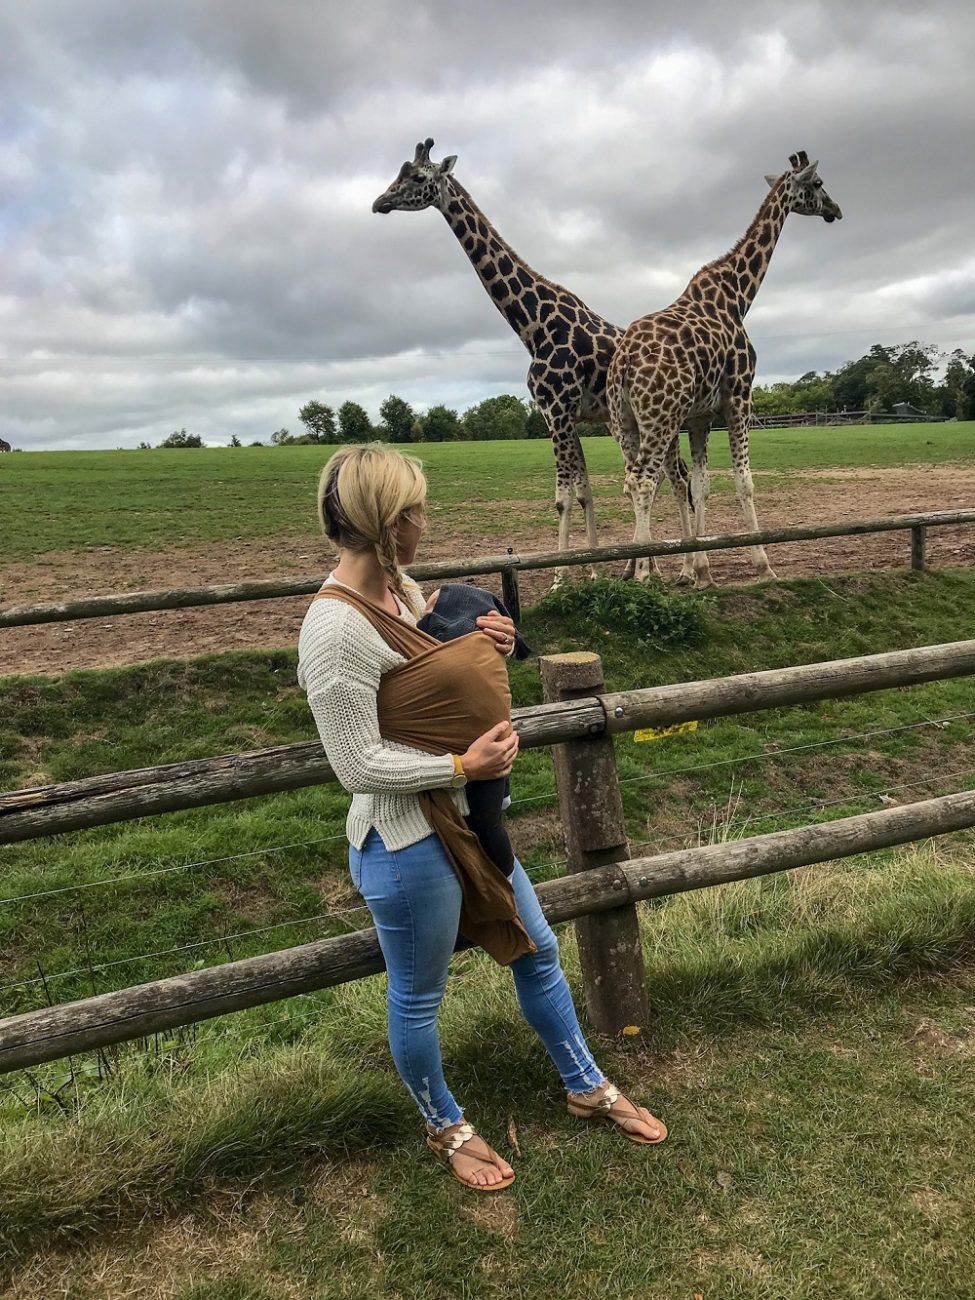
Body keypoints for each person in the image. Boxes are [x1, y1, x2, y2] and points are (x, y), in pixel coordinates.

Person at [297, 444, 667, 1193]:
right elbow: (356, 764)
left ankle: (585, 1083)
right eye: (418, 511)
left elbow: (435, 669)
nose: (425, 523)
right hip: (405, 844)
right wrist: (462, 768)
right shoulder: (333, 632)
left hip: (472, 829)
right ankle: (445, 1126)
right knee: (418, 995)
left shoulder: (401, 593)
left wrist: (485, 639)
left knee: (536, 953)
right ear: (389, 521)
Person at [417, 582, 533, 877]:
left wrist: (498, 641)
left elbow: (441, 653)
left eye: (430, 608)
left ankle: (504, 880)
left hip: (468, 748)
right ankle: (505, 879)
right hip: (481, 741)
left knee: (486, 824)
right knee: (489, 823)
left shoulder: (406, 591)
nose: (426, 610)